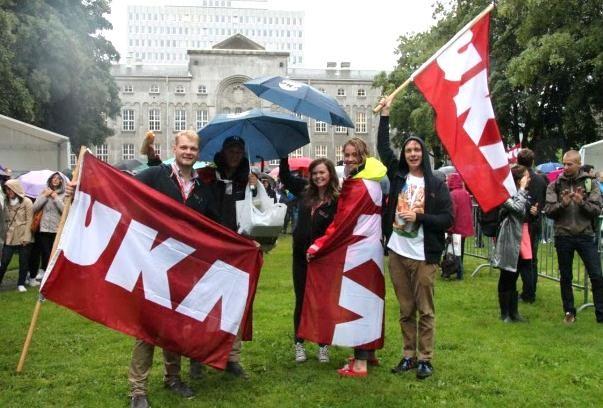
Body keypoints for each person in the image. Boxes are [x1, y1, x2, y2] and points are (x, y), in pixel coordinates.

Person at [377, 98, 453, 380]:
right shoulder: (398, 178)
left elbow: (447, 219)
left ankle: (425, 359)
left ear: (423, 153)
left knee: (425, 310)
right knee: (405, 309)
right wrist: (385, 115)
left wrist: (419, 217)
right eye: (408, 150)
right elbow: (384, 149)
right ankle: (408, 356)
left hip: (424, 255)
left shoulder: (435, 184)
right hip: (398, 252)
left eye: (416, 149)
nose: (412, 153)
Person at [316, 137, 386, 377]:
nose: (348, 160)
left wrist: (318, 245)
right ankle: (369, 351)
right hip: (371, 246)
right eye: (345, 155)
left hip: (359, 248)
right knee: (371, 300)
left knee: (357, 301)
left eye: (353, 155)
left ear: (362, 156)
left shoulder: (358, 185)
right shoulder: (373, 180)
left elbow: (343, 222)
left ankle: (360, 363)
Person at [279, 157, 339, 363]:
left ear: (330, 173)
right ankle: (299, 343)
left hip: (323, 258)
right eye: (314, 173)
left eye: (322, 172)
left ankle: (323, 345)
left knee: (323, 302)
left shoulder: (337, 199)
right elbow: (285, 177)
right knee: (302, 300)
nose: (318, 177)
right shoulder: (305, 191)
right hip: (300, 256)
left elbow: (338, 229)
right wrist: (283, 154)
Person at [543, 150, 603, 324]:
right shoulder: (554, 185)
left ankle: (600, 313)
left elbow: (597, 209)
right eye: (564, 164)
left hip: (585, 235)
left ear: (578, 164)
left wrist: (581, 203)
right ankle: (569, 311)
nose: (565, 167)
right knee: (566, 276)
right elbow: (548, 211)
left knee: (597, 275)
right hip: (563, 236)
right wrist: (563, 204)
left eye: (569, 164)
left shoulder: (590, 183)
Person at [491, 165, 531, 323]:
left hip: (522, 238)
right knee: (506, 274)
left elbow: (523, 212)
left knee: (515, 275)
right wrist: (521, 190)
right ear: (519, 179)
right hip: (509, 237)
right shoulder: (504, 193)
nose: (529, 179)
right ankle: (504, 313)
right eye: (527, 176)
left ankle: (514, 313)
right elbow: (517, 207)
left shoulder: (522, 194)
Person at [516, 149, 548, 303]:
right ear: (533, 161)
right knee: (531, 259)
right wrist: (538, 209)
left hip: (522, 223)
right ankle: (530, 291)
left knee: (521, 259)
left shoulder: (517, 177)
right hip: (535, 222)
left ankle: (528, 292)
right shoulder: (542, 180)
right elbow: (544, 200)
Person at [31, 172, 66, 283]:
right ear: (50, 180)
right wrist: (45, 196)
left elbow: (65, 211)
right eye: (53, 178)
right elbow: (34, 208)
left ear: (61, 181)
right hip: (44, 228)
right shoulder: (44, 192)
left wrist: (56, 198)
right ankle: (43, 271)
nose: (55, 180)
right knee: (45, 252)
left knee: (54, 252)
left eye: (58, 178)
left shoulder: (64, 195)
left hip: (57, 229)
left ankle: (51, 273)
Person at [0, 179, 33, 292]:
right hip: (9, 235)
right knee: (4, 261)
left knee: (23, 261)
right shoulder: (5, 201)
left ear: (16, 189)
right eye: (7, 189)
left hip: (23, 234)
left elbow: (30, 220)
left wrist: (27, 237)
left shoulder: (27, 201)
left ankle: (21, 283)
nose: (9, 192)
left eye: (10, 189)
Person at [446, 173, 474, 280]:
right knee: (460, 249)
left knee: (452, 249)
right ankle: (459, 266)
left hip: (456, 226)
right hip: (465, 225)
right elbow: (470, 207)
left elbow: (452, 212)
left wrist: (449, 228)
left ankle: (455, 270)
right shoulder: (466, 193)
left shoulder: (452, 194)